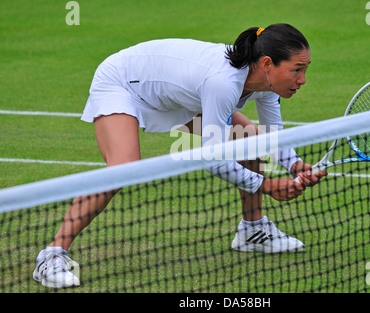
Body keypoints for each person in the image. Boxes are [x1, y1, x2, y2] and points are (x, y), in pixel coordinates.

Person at [33, 23, 327, 288]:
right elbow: (212, 157)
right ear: (267, 64)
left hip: (176, 94)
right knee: (122, 168)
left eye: (305, 69)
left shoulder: (267, 83)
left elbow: (273, 134)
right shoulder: (223, 83)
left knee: (248, 138)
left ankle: (253, 230)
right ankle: (52, 255)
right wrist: (267, 185)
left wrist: (295, 165)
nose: (302, 79)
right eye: (296, 69)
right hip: (124, 81)